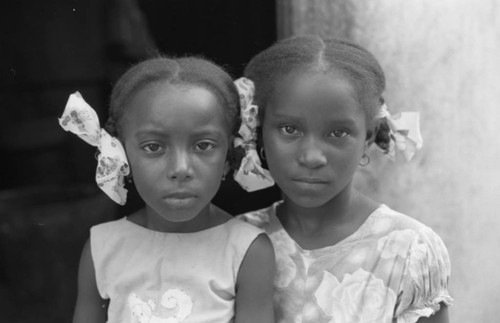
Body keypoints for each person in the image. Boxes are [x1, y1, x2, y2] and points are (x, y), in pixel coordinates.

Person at [237, 35, 453, 323]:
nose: (312, 156)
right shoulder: (235, 240)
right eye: (289, 129)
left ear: (369, 136)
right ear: (258, 131)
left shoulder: (409, 251)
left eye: (338, 133)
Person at [60, 56, 275, 323]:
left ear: (229, 155)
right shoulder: (103, 248)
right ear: (120, 154)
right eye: (153, 147)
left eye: (203, 145)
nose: (180, 168)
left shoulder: (247, 251)